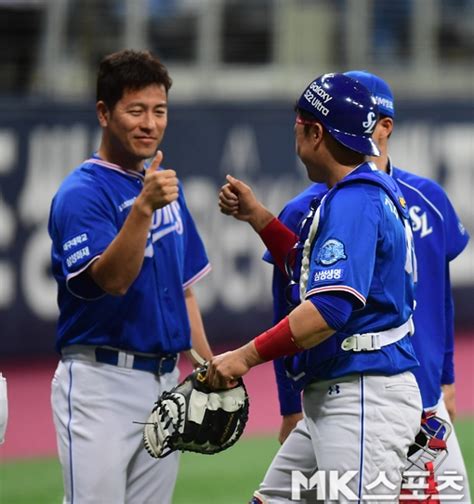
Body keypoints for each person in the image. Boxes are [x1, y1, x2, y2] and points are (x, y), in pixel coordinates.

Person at [208, 72, 423, 502]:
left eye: (299, 124)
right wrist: (259, 218)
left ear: (316, 132)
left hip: (363, 398)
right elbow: (310, 269)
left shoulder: (353, 202)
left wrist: (244, 357)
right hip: (344, 393)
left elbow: (329, 310)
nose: (296, 132)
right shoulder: (359, 192)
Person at [259, 70, 471, 503]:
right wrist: (288, 403)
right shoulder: (341, 199)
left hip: (382, 391)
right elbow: (289, 290)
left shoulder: (397, 198)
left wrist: (447, 377)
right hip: (349, 387)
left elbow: (436, 296)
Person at [48, 49, 212, 504]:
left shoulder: (161, 187)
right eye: (135, 110)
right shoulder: (82, 192)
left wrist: (208, 369)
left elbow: (186, 293)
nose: (150, 123)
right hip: (101, 384)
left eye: (159, 111)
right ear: (104, 113)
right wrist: (143, 208)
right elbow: (110, 280)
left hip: (164, 383)